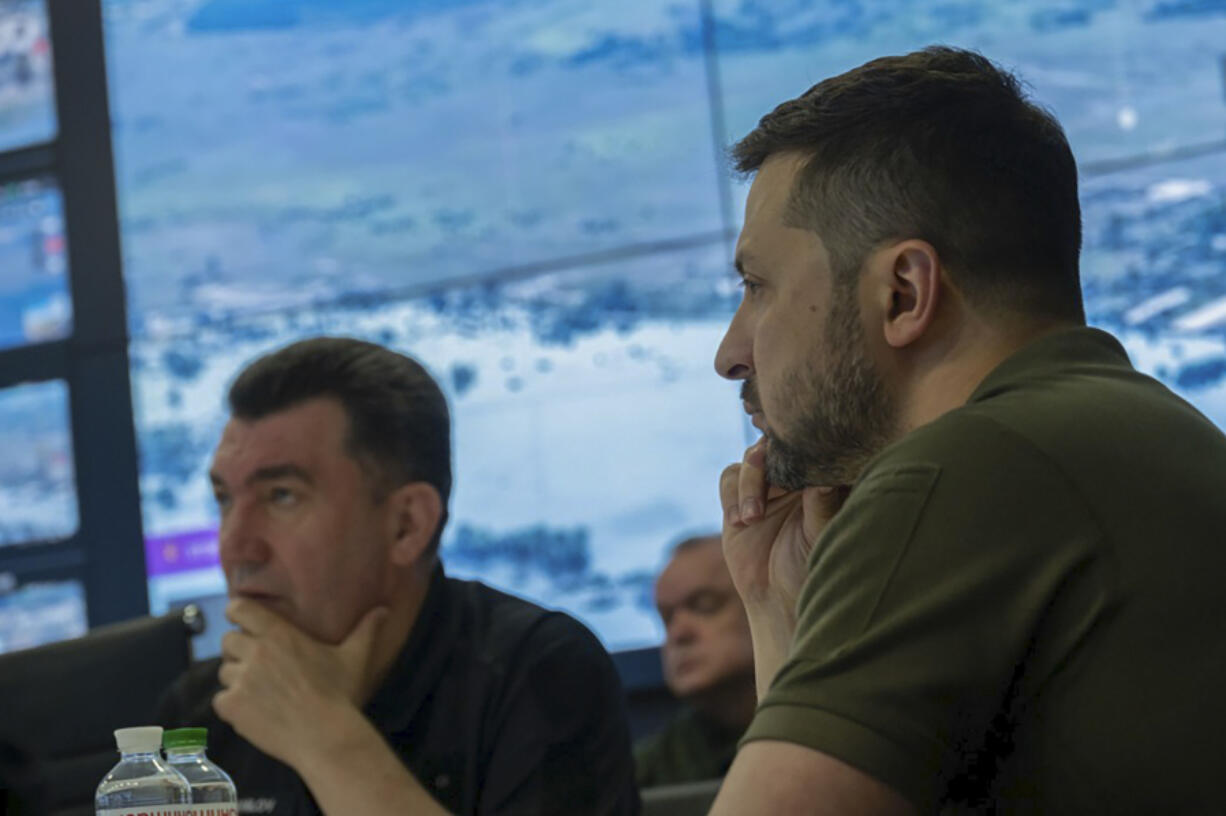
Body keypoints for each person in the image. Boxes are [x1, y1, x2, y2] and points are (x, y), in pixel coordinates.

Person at [708, 46, 1226, 815]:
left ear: (904, 292)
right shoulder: (1150, 432)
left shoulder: (964, 473)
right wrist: (776, 605)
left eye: (758, 288)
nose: (730, 353)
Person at [157, 337, 639, 815]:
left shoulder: (538, 673)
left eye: (282, 496)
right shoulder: (203, 712)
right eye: (224, 500)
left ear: (406, 524)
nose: (236, 546)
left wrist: (324, 736)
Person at [634, 534, 755, 788]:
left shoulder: (840, 732)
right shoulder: (643, 773)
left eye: (704, 606)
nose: (678, 634)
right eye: (666, 618)